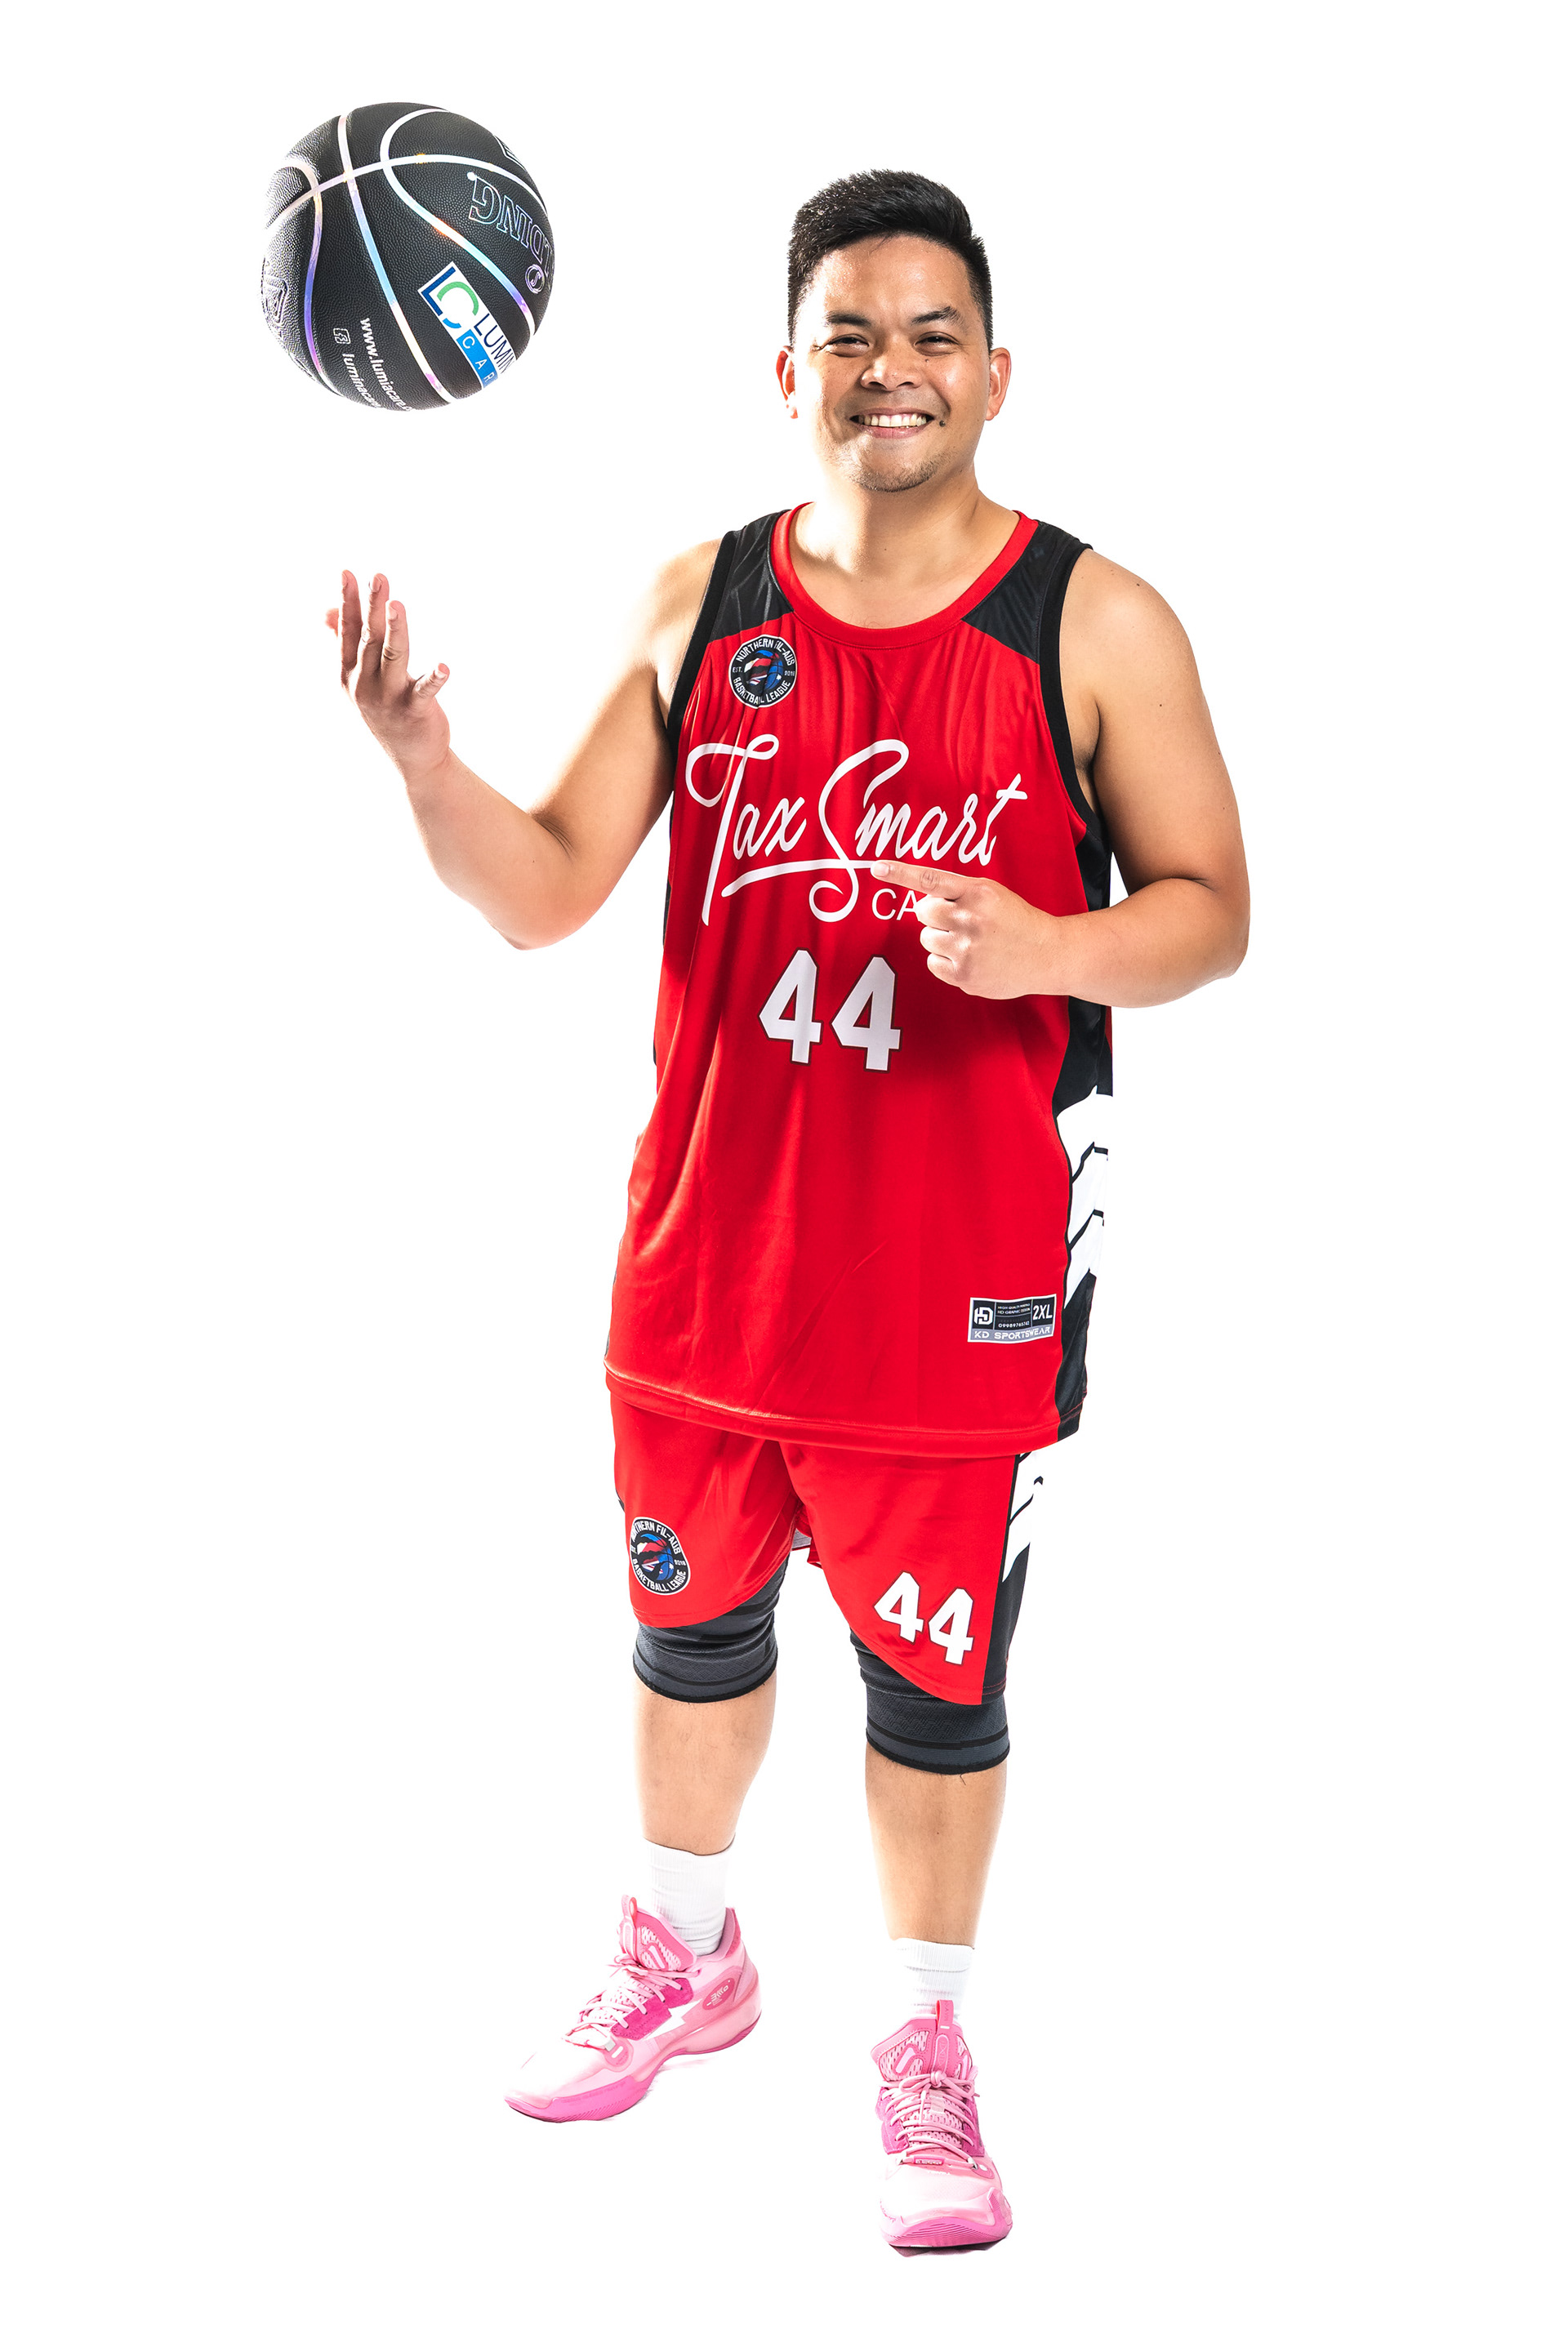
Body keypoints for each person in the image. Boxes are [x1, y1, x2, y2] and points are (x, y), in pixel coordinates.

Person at [329, 169, 1249, 2254]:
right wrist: (424, 769)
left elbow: (1214, 912)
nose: (889, 370)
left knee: (938, 1691)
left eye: (931, 335)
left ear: (996, 374)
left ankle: (922, 2039)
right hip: (704, 1271)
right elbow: (548, 891)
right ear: (787, 372)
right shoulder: (704, 600)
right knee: (687, 1642)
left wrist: (1053, 948)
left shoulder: (1094, 622)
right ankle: (685, 1950)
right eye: (849, 334)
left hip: (959, 1285)